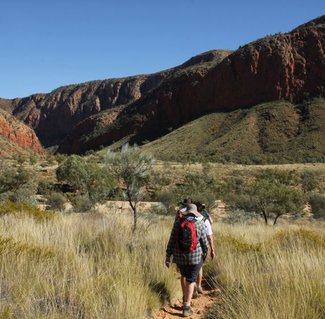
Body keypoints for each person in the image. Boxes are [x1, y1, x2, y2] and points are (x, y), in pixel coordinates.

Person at [165, 203, 209, 317]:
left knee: (184, 276)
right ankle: (187, 306)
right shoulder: (200, 223)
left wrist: (168, 256)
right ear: (195, 213)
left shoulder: (178, 223)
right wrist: (205, 253)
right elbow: (204, 241)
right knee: (190, 280)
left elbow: (172, 240)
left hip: (179, 257)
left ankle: (185, 297)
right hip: (194, 257)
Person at [194, 202, 215, 295]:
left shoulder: (186, 218)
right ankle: (198, 286)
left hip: (186, 248)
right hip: (201, 247)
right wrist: (212, 250)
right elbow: (209, 237)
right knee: (199, 267)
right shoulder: (205, 220)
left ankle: (191, 285)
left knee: (187, 269)